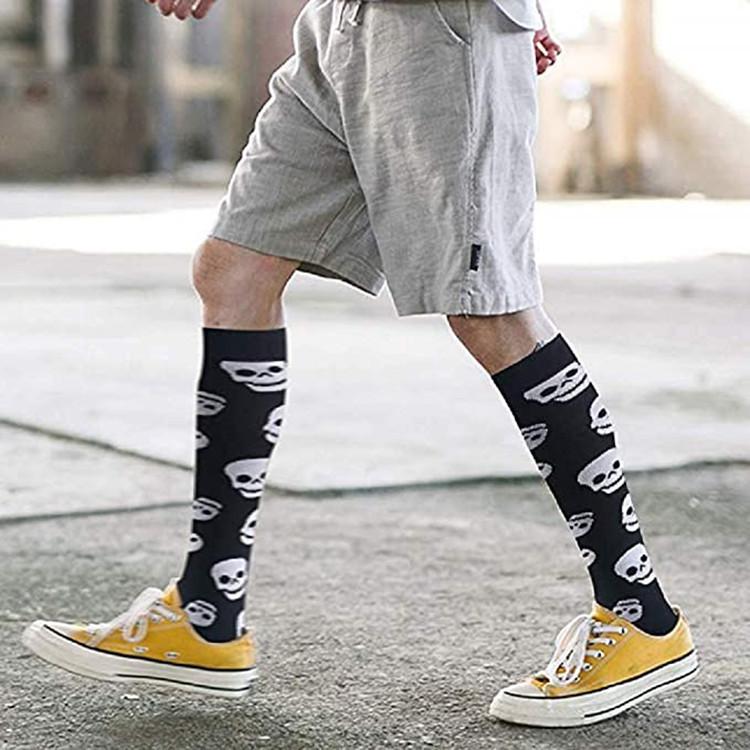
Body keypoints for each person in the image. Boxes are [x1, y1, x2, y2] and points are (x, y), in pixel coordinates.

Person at [22, 0, 698, 728]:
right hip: (341, 25)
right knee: (234, 270)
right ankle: (206, 613)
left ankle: (640, 614)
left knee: (490, 311)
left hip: (441, 27)